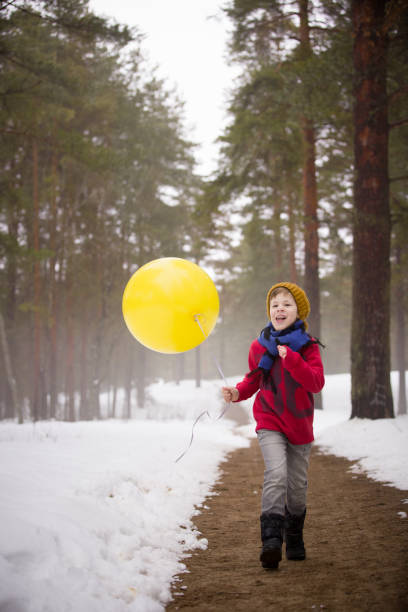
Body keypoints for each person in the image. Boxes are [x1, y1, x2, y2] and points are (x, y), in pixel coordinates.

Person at [222, 282, 325, 570]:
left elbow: (316, 383)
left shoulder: (308, 346)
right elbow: (254, 378)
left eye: (287, 304)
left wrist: (291, 359)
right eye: (275, 304)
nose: (280, 308)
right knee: (276, 473)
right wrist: (238, 392)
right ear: (269, 311)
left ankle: (293, 536)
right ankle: (270, 540)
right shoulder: (259, 346)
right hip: (269, 419)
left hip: (300, 423)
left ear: (298, 311)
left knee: (296, 486)